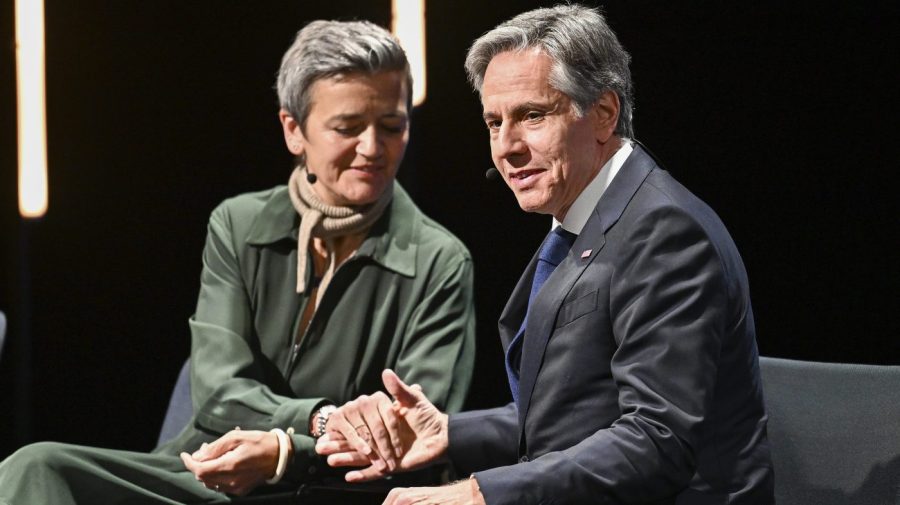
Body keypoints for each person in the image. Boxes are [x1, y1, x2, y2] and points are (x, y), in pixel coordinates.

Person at [0, 19, 475, 503]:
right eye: (348, 128)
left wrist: (289, 452)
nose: (373, 148)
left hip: (327, 487)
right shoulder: (238, 224)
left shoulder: (440, 261)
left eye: (392, 127)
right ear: (294, 130)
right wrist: (317, 418)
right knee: (37, 466)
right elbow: (219, 390)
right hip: (203, 474)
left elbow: (415, 435)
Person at [316, 5, 774, 504]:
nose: (506, 146)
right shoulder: (589, 215)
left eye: (531, 116)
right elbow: (582, 409)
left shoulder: (664, 231)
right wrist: (448, 433)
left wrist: (478, 494)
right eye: (494, 122)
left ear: (603, 113)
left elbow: (655, 441)